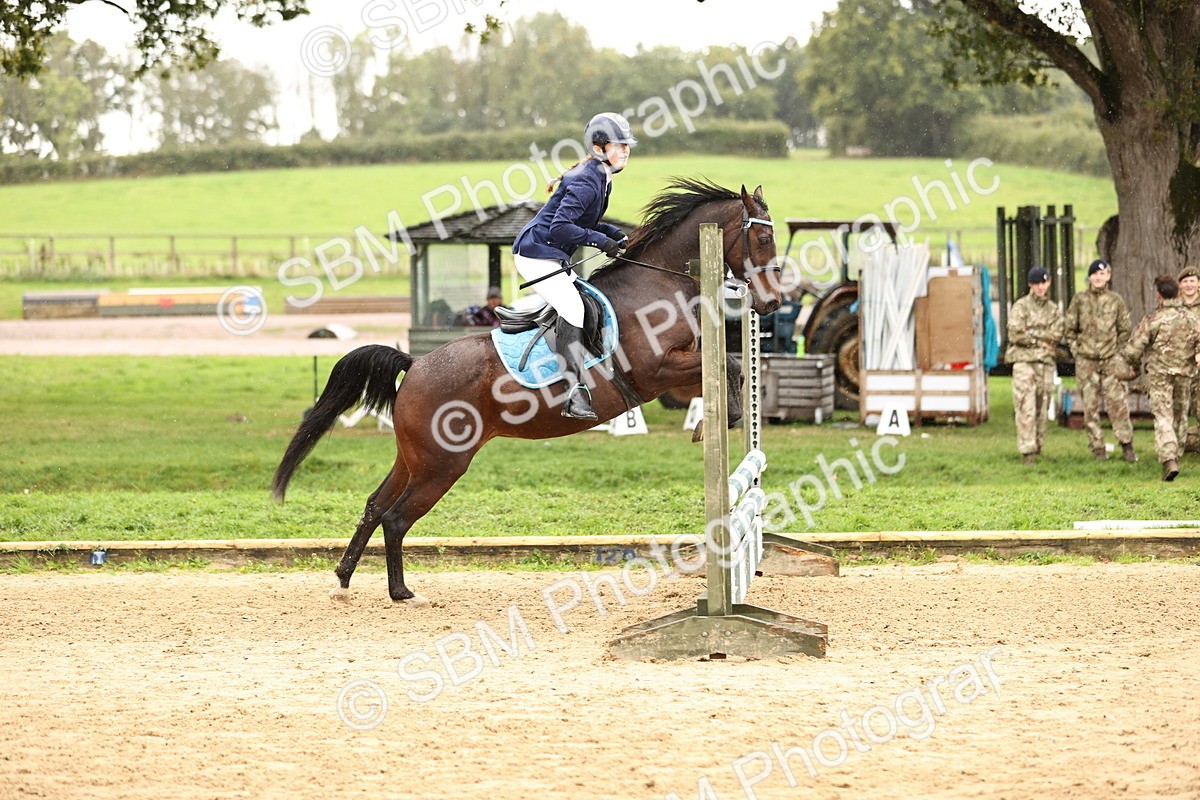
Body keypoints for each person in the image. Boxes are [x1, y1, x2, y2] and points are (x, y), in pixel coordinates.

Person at [511, 112, 636, 420]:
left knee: (587, 303)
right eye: (620, 145)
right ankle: (572, 392)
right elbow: (559, 229)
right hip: (536, 253)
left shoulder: (600, 178)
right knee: (573, 308)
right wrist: (598, 240)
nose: (626, 152)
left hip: (552, 253)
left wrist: (611, 233)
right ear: (599, 148)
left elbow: (584, 222)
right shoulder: (587, 181)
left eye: (627, 146)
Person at [1122, 275, 1200, 481]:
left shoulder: (1153, 319)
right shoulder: (1192, 318)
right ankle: (1177, 454)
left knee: (1163, 415)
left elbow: (1132, 350)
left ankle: (1169, 458)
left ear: (1159, 295)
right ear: (1178, 293)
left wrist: (1134, 365)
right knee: (1181, 415)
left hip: (1160, 377)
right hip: (1185, 375)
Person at [1063, 258, 1136, 461]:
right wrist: (1076, 350)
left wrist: (1118, 351)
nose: (1098, 277)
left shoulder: (1115, 300)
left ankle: (1126, 445)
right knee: (1090, 407)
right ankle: (1098, 449)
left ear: (1108, 276)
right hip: (1086, 362)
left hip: (1110, 360)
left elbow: (1124, 328)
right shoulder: (1079, 300)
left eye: (1102, 274)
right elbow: (1069, 329)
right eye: (1095, 274)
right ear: (1090, 277)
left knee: (1118, 404)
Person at [1006, 267, 1064, 465]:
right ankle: (1027, 452)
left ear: (1048, 284)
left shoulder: (1053, 310)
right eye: (1036, 283)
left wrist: (1030, 333)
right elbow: (1015, 334)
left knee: (1042, 405)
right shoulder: (1020, 306)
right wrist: (1039, 341)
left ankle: (1038, 447)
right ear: (1030, 284)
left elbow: (1056, 335)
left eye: (1044, 283)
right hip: (1023, 362)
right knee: (1025, 406)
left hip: (1045, 364)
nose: (1040, 287)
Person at [1178, 265, 1200, 451]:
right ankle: (1176, 448)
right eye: (1185, 282)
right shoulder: (1174, 307)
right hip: (1179, 366)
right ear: (1180, 285)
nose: (1189, 285)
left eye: (1192, 281)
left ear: (1198, 284)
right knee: (1179, 408)